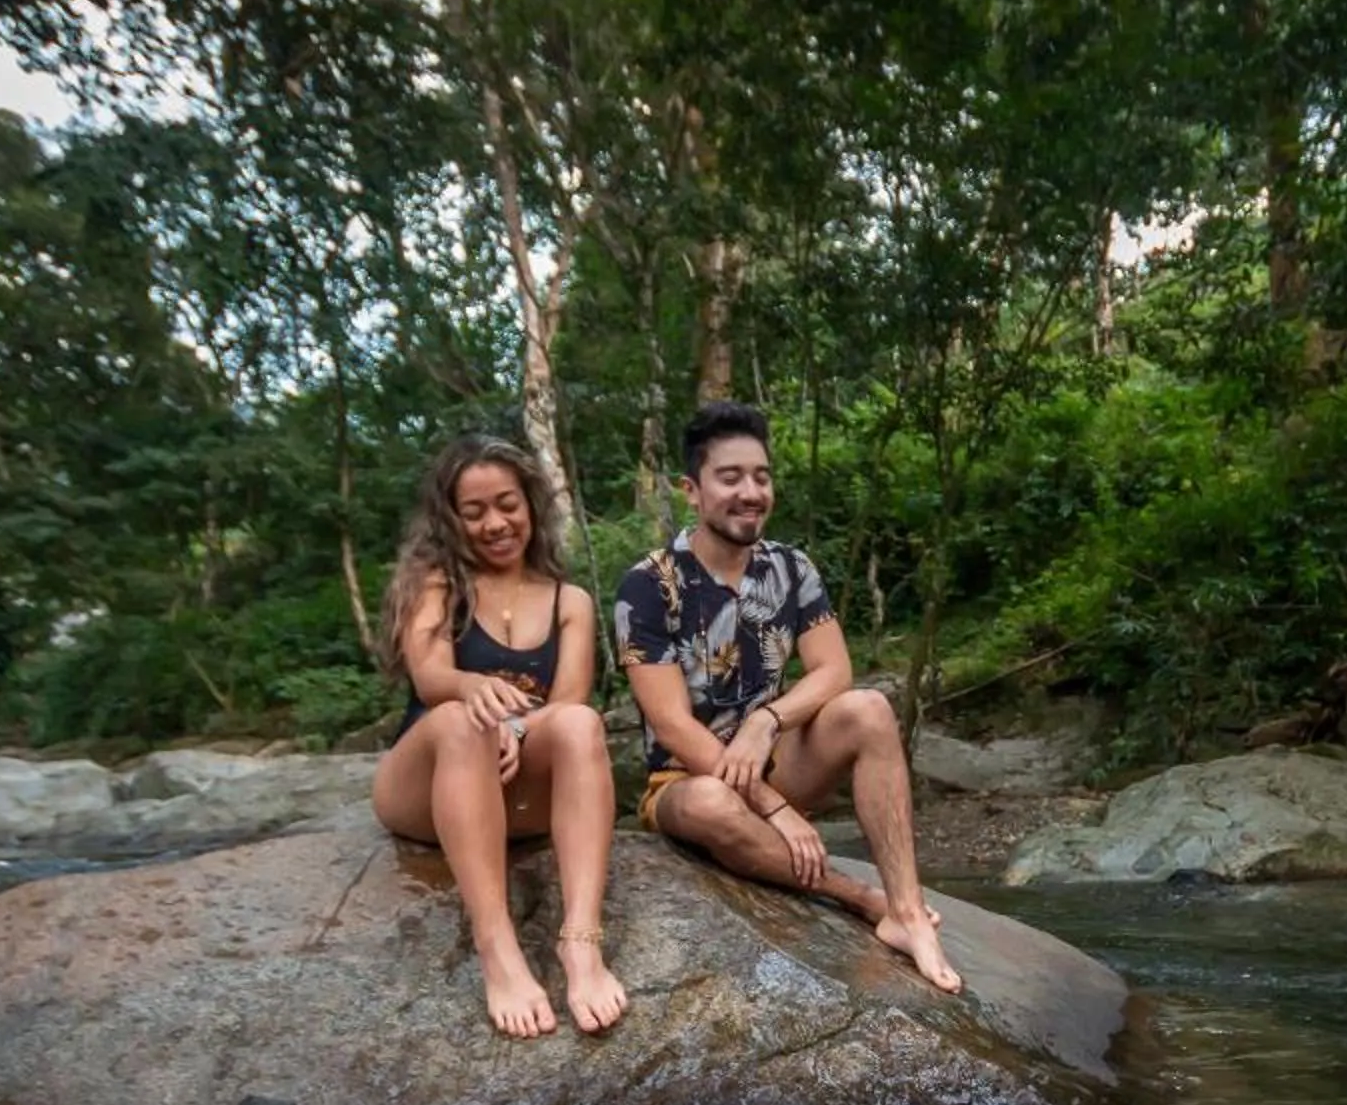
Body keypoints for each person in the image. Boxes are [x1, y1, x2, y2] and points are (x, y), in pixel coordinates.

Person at [615, 402, 962, 994]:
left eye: (761, 476)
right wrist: (773, 807)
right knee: (708, 803)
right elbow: (671, 726)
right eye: (730, 478)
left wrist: (767, 721)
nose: (750, 492)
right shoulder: (649, 585)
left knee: (869, 710)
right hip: (684, 782)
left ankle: (907, 912)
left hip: (774, 760)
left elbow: (834, 670)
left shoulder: (791, 568)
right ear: (692, 491)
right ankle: (860, 899)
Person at [369, 436, 629, 1039]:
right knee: (466, 720)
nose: (494, 523)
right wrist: (474, 690)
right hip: (427, 786)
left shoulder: (572, 601)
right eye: (474, 511)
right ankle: (499, 950)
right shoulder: (437, 582)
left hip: (516, 788)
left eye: (506, 504)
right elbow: (430, 676)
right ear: (451, 519)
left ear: (532, 504)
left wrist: (518, 726)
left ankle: (581, 944)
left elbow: (567, 703)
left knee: (580, 725)